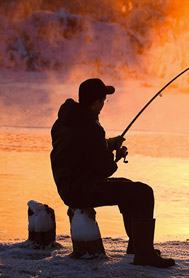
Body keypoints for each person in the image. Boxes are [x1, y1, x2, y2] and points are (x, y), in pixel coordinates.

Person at [50, 78, 175, 268]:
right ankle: (144, 254)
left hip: (68, 184)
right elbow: (105, 169)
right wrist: (117, 154)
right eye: (104, 101)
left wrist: (107, 144)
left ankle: (138, 247)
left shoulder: (64, 121)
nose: (103, 105)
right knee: (143, 192)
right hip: (80, 189)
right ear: (95, 102)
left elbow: (80, 149)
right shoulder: (91, 126)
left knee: (128, 186)